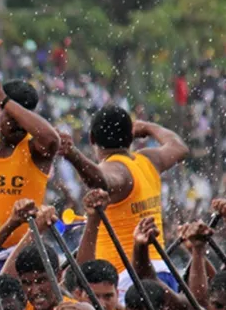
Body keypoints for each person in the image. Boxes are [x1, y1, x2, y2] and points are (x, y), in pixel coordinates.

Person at [0, 65, 105, 293]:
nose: (18, 124)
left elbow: (52, 139)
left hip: (20, 254)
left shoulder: (37, 148)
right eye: (11, 117)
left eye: (22, 116)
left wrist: (6, 101)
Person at [71, 106, 188, 297]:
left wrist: (73, 155)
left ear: (92, 138)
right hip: (161, 273)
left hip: (126, 281)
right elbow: (179, 147)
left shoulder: (115, 168)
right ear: (131, 135)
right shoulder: (149, 159)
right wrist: (148, 127)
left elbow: (101, 181)